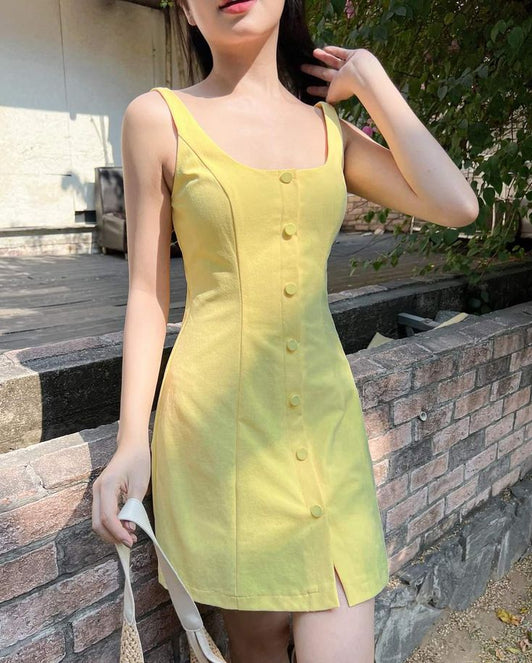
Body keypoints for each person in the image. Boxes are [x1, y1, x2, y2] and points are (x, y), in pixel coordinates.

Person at [91, 1, 479, 662]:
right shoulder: (156, 119)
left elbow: (456, 204)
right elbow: (148, 292)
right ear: (186, 10)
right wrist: (132, 440)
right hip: (220, 435)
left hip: (328, 432)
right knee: (257, 643)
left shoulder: (329, 130)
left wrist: (372, 81)